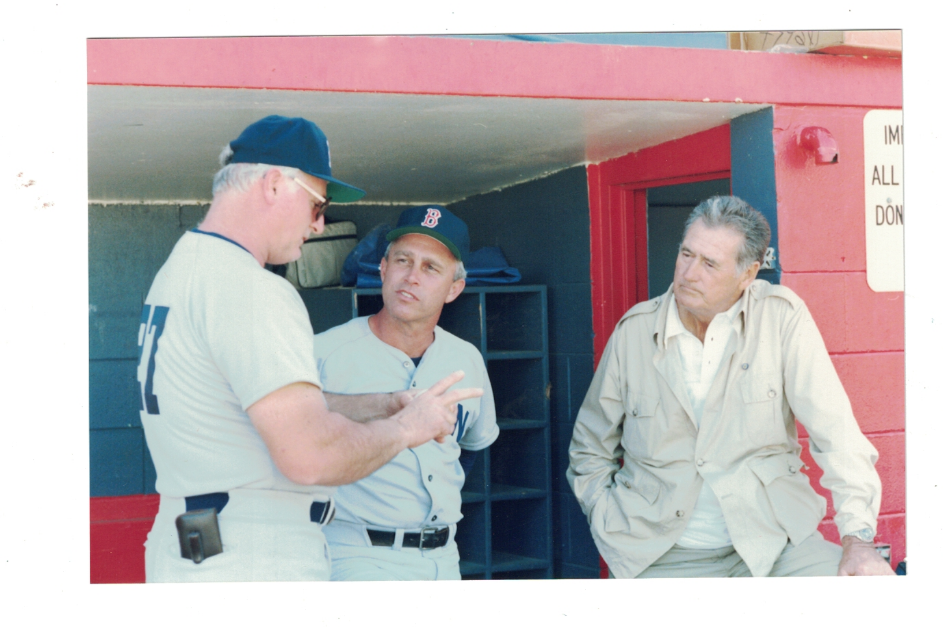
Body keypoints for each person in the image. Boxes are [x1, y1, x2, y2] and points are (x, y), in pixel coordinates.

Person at [136, 116, 482, 582]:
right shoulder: (252, 288)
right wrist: (405, 428)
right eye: (317, 203)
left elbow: (262, 409)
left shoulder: (185, 267)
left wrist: (384, 405)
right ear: (275, 184)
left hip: (199, 546)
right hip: (251, 559)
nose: (319, 224)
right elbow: (310, 456)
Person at [567, 195, 894, 578]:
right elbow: (589, 448)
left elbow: (837, 435)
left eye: (709, 264)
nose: (689, 273)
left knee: (861, 599)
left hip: (774, 547)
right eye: (686, 254)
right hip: (663, 555)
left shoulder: (782, 318)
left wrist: (858, 539)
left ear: (748, 274)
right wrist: (608, 521)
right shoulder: (633, 331)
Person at [314, 205, 499, 580]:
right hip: (355, 553)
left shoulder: (466, 358)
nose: (412, 277)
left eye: (431, 267)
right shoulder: (323, 353)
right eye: (403, 260)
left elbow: (470, 451)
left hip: (443, 558)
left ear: (455, 288)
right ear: (383, 268)